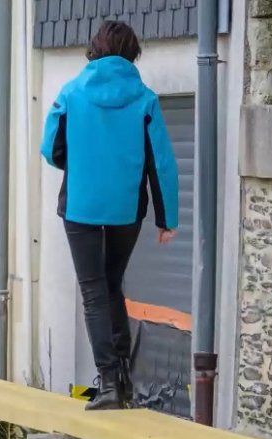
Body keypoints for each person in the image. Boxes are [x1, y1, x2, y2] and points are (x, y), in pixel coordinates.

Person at [40, 21, 179, 410]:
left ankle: (108, 385)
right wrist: (166, 218)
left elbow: (51, 148)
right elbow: (161, 163)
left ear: (94, 49)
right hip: (125, 208)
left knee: (93, 291)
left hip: (81, 206)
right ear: (133, 53)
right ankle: (124, 379)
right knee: (112, 284)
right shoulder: (145, 99)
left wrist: (81, 167)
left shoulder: (70, 93)